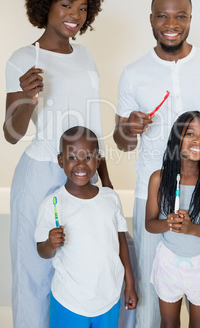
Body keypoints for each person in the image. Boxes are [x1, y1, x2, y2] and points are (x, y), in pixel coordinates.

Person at [113, 0, 200, 328]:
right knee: (154, 304)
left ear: (190, 19)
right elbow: (121, 141)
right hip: (151, 195)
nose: (172, 23)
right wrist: (129, 128)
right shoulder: (133, 73)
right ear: (151, 20)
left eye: (180, 16)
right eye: (163, 16)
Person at [3, 0, 112, 328]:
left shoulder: (85, 57)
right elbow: (12, 133)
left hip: (84, 173)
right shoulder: (23, 58)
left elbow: (93, 127)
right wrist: (28, 98)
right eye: (66, 4)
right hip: (41, 175)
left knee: (79, 268)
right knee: (34, 272)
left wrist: (105, 181)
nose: (74, 16)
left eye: (82, 8)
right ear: (46, 3)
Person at [35, 126, 138, 328]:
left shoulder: (110, 198)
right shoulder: (52, 204)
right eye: (72, 157)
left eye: (88, 157)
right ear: (61, 161)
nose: (80, 164)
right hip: (69, 301)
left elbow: (121, 243)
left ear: (98, 160)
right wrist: (50, 243)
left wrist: (130, 284)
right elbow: (42, 251)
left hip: (108, 298)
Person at [145, 111, 200, 328]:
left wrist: (191, 229)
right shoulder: (159, 179)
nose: (198, 141)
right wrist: (168, 224)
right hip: (169, 263)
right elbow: (149, 224)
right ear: (176, 138)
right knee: (169, 323)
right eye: (190, 133)